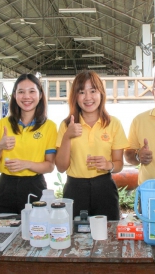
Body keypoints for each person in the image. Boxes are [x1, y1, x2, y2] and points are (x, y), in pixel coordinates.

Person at [56, 71, 129, 221]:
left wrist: (109, 165)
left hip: (105, 187)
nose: (88, 97)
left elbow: (119, 164)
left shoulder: (113, 123)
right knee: (74, 235)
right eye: (81, 92)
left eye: (93, 91)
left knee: (108, 235)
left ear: (101, 93)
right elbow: (61, 167)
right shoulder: (66, 125)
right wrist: (67, 137)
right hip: (74, 188)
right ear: (75, 97)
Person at [0, 74, 57, 214]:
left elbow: (50, 166)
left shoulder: (49, 126)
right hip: (5, 187)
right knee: (4, 229)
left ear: (40, 94)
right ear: (14, 95)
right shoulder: (3, 124)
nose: (26, 97)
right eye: (21, 92)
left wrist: (26, 164)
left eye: (32, 91)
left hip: (34, 186)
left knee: (36, 231)